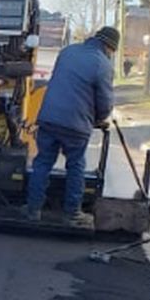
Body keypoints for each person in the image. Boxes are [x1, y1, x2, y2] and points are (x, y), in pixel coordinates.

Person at [25, 25, 119, 226]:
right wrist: (99, 119)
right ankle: (72, 213)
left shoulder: (68, 51)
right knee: (75, 166)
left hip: (48, 117)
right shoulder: (102, 64)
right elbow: (104, 103)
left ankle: (33, 210)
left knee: (42, 163)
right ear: (110, 47)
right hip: (75, 125)